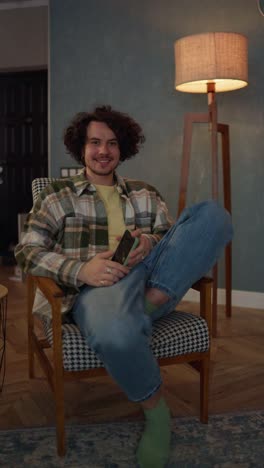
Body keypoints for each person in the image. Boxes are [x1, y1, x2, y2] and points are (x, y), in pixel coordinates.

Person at [15, 105, 233, 468]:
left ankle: (150, 302)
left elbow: (173, 239)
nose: (104, 151)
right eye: (95, 142)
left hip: (153, 278)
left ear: (123, 148)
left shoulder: (144, 192)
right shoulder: (58, 196)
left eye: (112, 143)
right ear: (81, 148)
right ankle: (156, 412)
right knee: (115, 332)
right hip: (97, 289)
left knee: (213, 215)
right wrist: (81, 269)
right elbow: (27, 250)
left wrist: (148, 241)